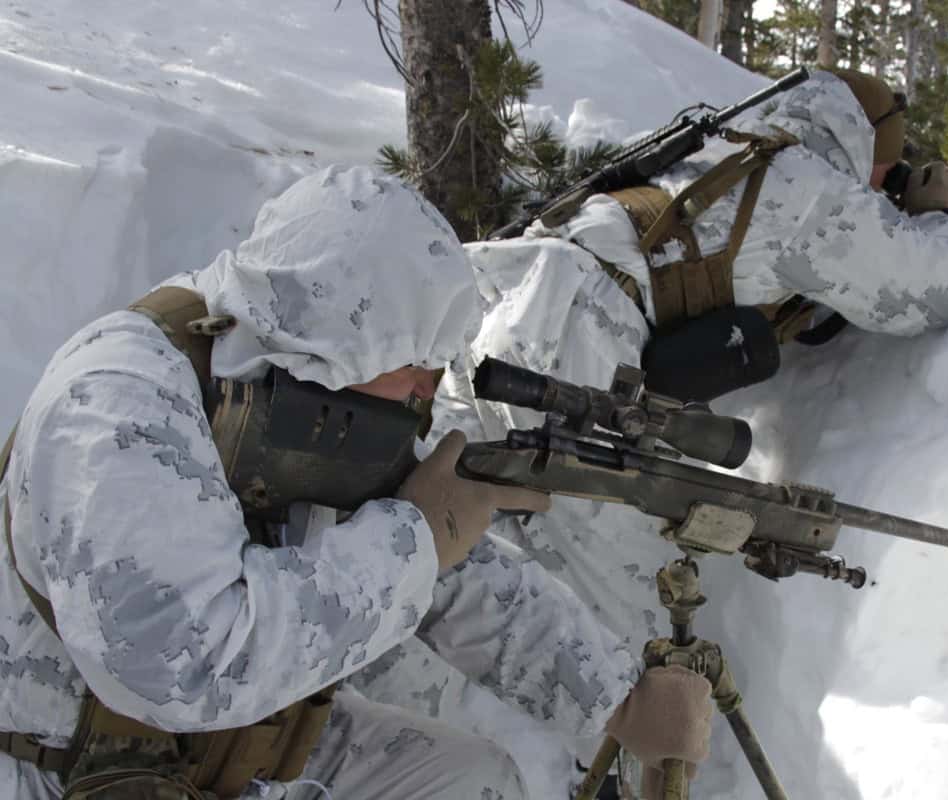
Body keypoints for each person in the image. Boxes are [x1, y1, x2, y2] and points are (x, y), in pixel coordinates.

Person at [0, 165, 713, 800]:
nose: (425, 393)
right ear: (339, 345)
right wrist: (414, 544)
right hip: (70, 768)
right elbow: (182, 667)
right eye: (417, 364)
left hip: (241, 751)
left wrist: (616, 698)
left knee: (474, 778)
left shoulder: (299, 385)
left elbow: (450, 558)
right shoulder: (117, 406)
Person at [431, 68, 948, 649]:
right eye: (885, 169)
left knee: (463, 554)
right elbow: (932, 292)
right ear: (866, 144)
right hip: (573, 342)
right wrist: (937, 212)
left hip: (501, 314)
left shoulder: (721, 145)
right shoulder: (808, 186)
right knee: (627, 616)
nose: (881, 184)